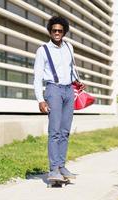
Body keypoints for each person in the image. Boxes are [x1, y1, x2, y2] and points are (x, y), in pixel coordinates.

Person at [33, 16, 85, 181]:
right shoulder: (42, 50)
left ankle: (62, 166)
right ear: (50, 31)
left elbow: (71, 67)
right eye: (54, 30)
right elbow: (37, 77)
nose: (57, 33)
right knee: (54, 132)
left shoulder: (69, 47)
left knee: (65, 131)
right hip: (53, 90)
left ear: (64, 32)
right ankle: (53, 169)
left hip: (69, 90)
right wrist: (40, 99)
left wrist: (77, 80)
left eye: (60, 31)